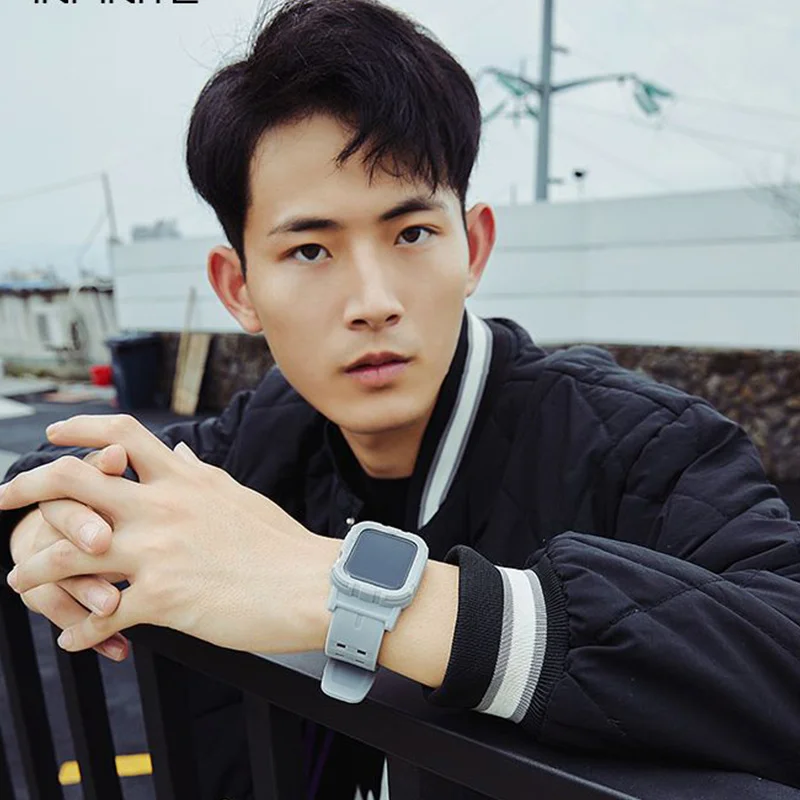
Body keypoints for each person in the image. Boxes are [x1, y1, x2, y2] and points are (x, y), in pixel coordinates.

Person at [2, 0, 800, 798]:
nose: (373, 301)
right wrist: (56, 522)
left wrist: (342, 591)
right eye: (309, 249)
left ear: (473, 248)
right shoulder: (269, 431)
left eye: (411, 233)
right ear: (238, 288)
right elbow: (67, 472)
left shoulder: (644, 447)